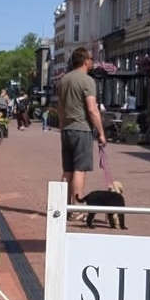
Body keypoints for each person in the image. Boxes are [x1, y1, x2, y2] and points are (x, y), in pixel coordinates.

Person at [55, 47, 106, 208]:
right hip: (82, 129)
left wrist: (62, 124)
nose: (92, 61)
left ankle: (61, 207)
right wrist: (101, 133)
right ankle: (77, 208)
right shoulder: (87, 80)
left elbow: (60, 107)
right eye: (91, 59)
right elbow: (92, 109)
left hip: (67, 129)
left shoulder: (63, 80)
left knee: (67, 170)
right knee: (79, 170)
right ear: (85, 61)